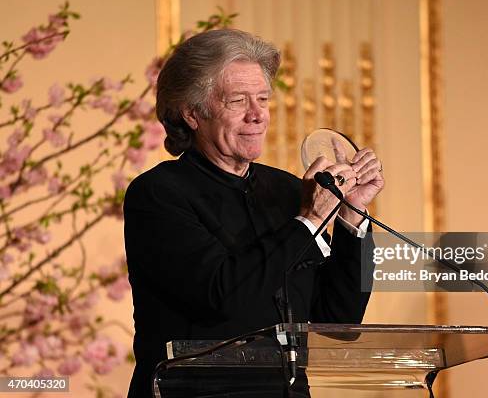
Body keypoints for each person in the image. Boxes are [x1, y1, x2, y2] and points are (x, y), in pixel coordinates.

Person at [123, 28, 384, 397]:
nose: (258, 115)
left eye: (263, 98)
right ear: (193, 113)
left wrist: (351, 218)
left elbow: (339, 320)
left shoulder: (289, 191)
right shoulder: (158, 195)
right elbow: (222, 297)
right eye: (238, 101)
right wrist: (307, 222)